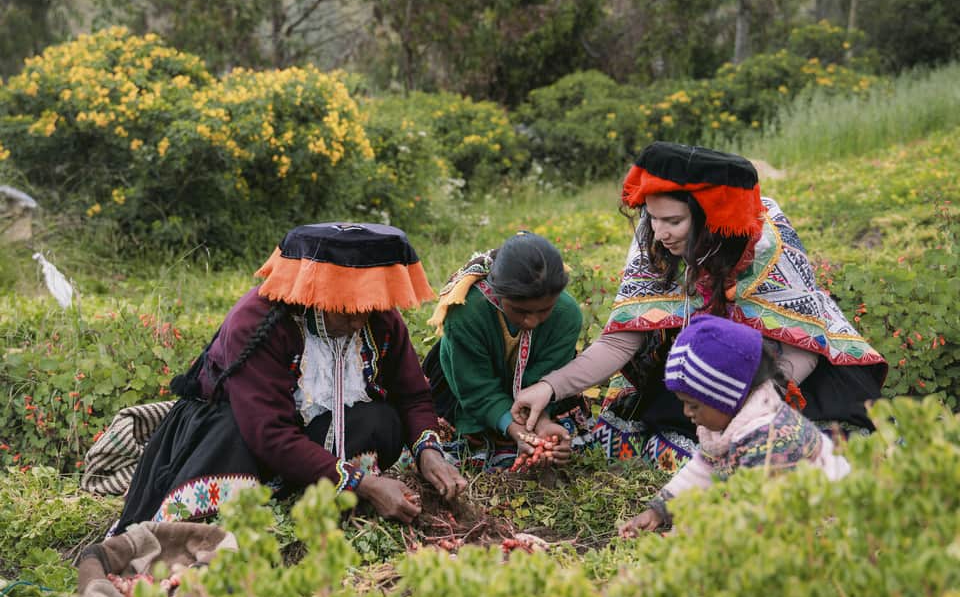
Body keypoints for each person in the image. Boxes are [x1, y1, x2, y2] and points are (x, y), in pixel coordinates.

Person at [512, 141, 886, 472]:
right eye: (653, 218)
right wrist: (549, 387)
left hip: (783, 369)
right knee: (681, 425)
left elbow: (802, 346)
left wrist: (751, 405)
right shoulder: (654, 238)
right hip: (705, 366)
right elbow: (622, 341)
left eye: (673, 221)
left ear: (712, 217)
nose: (659, 232)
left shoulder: (769, 240)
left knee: (828, 432)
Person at [113, 223, 467, 535]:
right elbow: (270, 433)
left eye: (370, 308)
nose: (361, 322)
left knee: (382, 420)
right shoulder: (257, 323)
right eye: (350, 310)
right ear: (317, 293)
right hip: (241, 436)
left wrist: (429, 452)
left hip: (307, 436)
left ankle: (318, 485)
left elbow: (413, 396)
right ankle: (280, 499)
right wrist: (364, 483)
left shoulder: (380, 320)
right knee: (232, 437)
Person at [618, 315, 851, 536]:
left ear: (724, 397)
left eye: (694, 405)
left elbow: (750, 512)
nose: (686, 413)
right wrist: (659, 510)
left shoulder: (770, 437)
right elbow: (703, 469)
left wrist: (689, 539)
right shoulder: (730, 418)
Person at [422, 232, 589, 470]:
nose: (531, 321)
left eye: (544, 310)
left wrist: (541, 422)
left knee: (562, 446)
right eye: (520, 310)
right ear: (498, 294)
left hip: (536, 394)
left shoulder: (566, 314)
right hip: (466, 386)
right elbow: (476, 388)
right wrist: (515, 429)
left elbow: (547, 379)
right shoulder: (466, 313)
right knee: (455, 448)